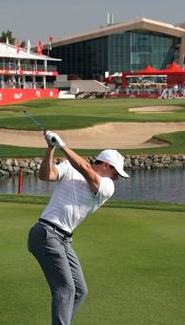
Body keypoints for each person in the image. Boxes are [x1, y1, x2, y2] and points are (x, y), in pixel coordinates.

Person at [27, 130, 128, 325]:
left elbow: (86, 170)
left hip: (64, 240)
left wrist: (62, 145)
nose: (116, 178)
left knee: (80, 291)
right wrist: (50, 148)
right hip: (46, 233)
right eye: (116, 173)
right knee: (66, 289)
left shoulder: (107, 186)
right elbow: (45, 175)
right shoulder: (69, 167)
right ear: (107, 165)